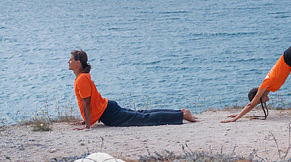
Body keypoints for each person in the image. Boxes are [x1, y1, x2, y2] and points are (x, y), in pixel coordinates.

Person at [68, 50, 198, 129]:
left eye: (71, 59)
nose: (68, 62)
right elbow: (89, 102)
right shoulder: (82, 77)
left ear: (78, 63)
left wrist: (87, 126)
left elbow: (86, 102)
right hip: (107, 109)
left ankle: (181, 115)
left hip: (108, 113)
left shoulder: (82, 79)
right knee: (142, 114)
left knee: (144, 118)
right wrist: (86, 120)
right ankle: (180, 112)